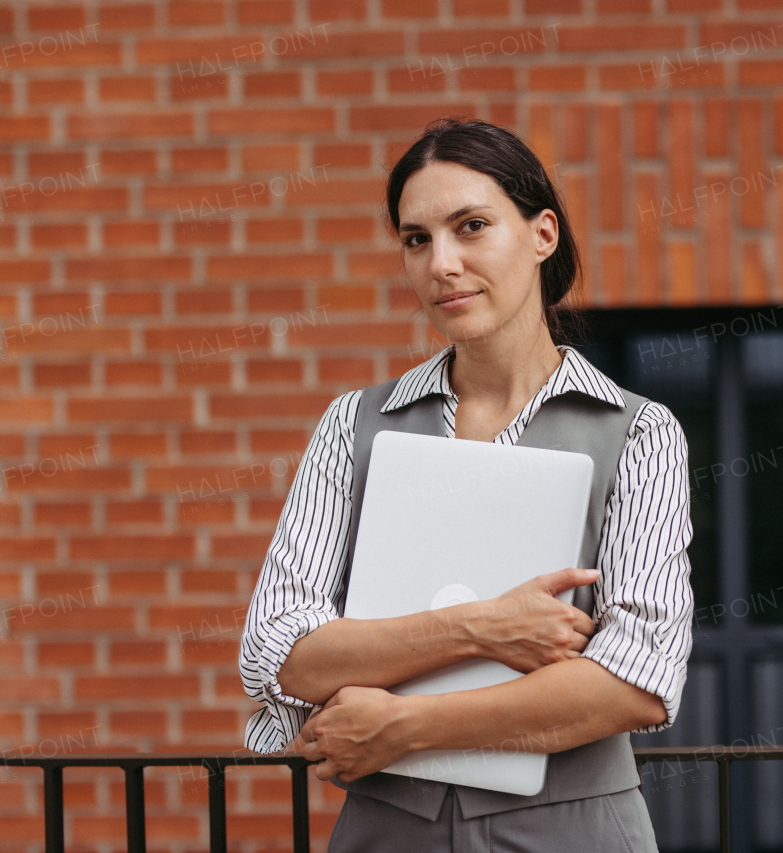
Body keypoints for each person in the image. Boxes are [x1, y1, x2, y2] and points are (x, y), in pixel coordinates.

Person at [239, 117, 693, 852]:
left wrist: (404, 725)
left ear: (542, 234)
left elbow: (633, 680)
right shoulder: (352, 424)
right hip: (388, 833)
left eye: (471, 226)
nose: (441, 262)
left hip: (574, 833)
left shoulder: (639, 433)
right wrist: (480, 627)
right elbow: (279, 650)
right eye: (416, 239)